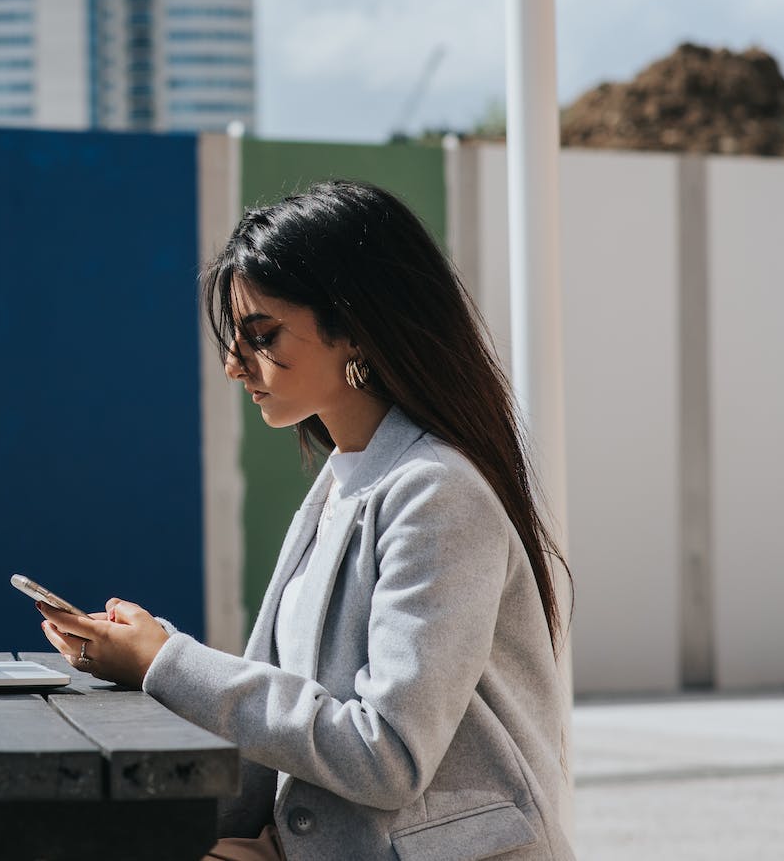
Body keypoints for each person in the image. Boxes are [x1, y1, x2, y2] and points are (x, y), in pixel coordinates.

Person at [36, 179, 575, 860]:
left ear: (354, 328)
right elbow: (286, 708)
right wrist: (149, 657)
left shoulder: (438, 492)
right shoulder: (344, 478)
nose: (235, 365)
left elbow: (389, 754)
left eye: (260, 336)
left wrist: (169, 663)